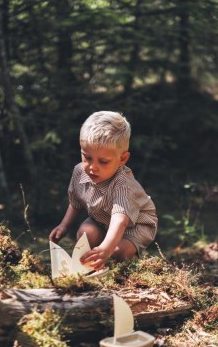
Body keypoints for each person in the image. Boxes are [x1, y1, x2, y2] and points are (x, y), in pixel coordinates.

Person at [49, 111, 157, 271]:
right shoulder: (79, 172)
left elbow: (121, 220)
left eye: (103, 161)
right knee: (86, 233)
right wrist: (64, 225)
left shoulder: (122, 184)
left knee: (119, 251)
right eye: (87, 157)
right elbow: (76, 202)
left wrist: (106, 248)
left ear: (122, 159)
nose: (93, 167)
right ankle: (90, 269)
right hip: (102, 218)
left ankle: (130, 268)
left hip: (136, 224)